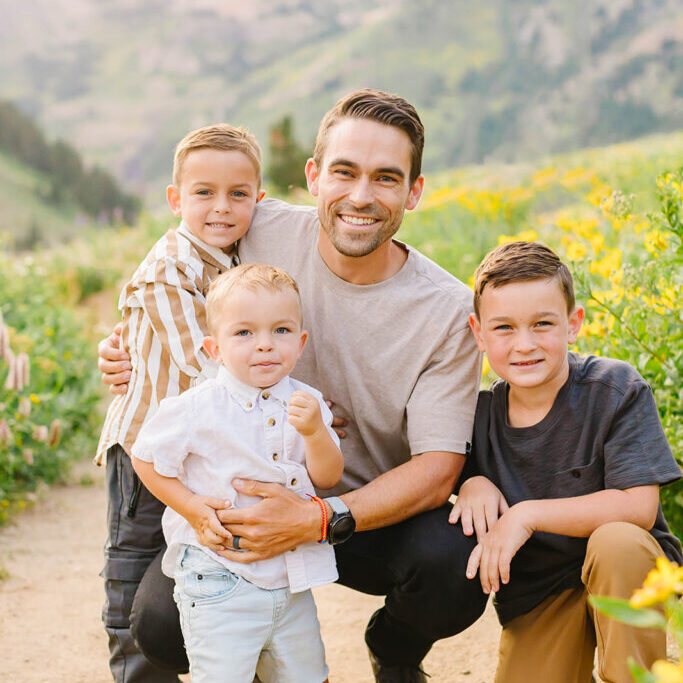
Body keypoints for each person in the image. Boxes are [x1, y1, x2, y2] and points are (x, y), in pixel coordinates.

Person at [98, 88, 488, 682]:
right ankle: (253, 657)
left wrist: (318, 518)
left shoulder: (446, 312)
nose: (360, 196)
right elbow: (181, 263)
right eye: (344, 172)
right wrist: (131, 341)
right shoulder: (260, 230)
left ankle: (397, 648)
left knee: (453, 566)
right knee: (158, 623)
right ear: (312, 177)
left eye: (386, 178)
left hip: (358, 512)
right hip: (248, 503)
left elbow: (438, 469)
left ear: (414, 191)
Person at [449, 241, 682, 683]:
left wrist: (528, 514)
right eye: (504, 328)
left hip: (626, 572)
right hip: (541, 594)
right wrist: (472, 482)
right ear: (478, 333)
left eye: (542, 324)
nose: (525, 345)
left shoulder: (615, 388)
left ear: (573, 324)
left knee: (617, 541)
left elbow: (638, 506)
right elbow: (441, 478)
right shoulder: (475, 415)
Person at [96, 123, 265, 682]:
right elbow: (211, 363)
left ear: (258, 199)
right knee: (135, 568)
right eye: (203, 193)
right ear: (175, 199)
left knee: (199, 565)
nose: (222, 207)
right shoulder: (171, 267)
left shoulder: (237, 257)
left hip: (196, 453)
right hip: (145, 447)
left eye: (238, 194)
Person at [131, 263, 343, 683]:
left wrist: (316, 432)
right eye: (244, 333)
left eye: (280, 331)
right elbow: (146, 458)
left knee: (306, 675)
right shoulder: (199, 407)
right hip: (217, 574)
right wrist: (191, 507)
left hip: (289, 577)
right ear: (215, 349)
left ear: (300, 342)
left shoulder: (307, 401)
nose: (265, 345)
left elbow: (329, 476)